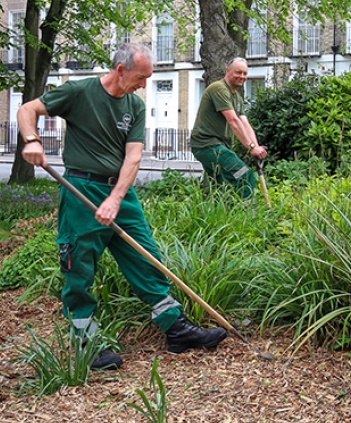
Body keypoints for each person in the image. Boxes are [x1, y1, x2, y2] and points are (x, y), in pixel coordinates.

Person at [17, 43, 227, 370]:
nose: (144, 85)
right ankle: (86, 344)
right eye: (141, 78)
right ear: (120, 70)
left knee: (146, 257)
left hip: (120, 192)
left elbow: (133, 156)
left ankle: (176, 329)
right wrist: (31, 140)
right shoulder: (79, 92)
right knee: (79, 265)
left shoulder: (135, 107)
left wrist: (115, 198)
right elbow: (27, 110)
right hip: (81, 188)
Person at [190, 57, 267, 198]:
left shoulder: (236, 97)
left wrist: (256, 147)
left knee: (219, 186)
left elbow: (244, 122)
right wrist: (251, 147)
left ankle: (215, 214)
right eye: (238, 72)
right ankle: (249, 213)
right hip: (207, 145)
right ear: (228, 71)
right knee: (243, 174)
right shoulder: (219, 89)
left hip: (217, 146)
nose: (242, 76)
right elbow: (233, 121)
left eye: (245, 73)